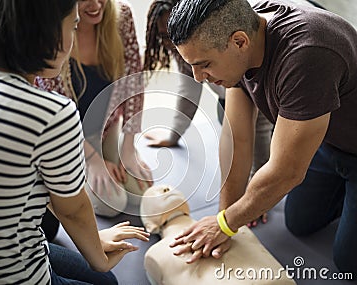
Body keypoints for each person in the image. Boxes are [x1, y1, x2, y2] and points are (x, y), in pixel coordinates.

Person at [0, 1, 149, 284]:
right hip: (10, 274)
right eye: (72, 25)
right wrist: (98, 255)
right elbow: (71, 210)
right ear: (45, 33)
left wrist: (128, 146)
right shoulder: (52, 113)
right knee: (108, 279)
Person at [166, 0, 357, 276]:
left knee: (347, 260)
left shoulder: (306, 55)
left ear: (239, 42)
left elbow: (287, 172)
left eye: (204, 64)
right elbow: (237, 139)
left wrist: (224, 224)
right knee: (299, 222)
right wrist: (225, 219)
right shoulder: (243, 34)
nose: (198, 78)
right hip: (327, 141)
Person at [143, 0, 273, 226]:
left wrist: (255, 197)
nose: (171, 43)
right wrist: (173, 136)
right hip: (229, 98)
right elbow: (189, 91)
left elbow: (255, 133)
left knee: (260, 143)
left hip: (263, 97)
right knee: (232, 133)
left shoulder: (232, 44)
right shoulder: (183, 46)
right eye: (165, 36)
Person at [36, 0, 153, 218]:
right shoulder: (50, 31)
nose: (96, 4)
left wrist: (128, 148)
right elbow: (52, 117)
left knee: (142, 192)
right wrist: (92, 160)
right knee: (112, 204)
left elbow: (133, 83)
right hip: (67, 138)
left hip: (106, 128)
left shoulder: (121, 16)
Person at [140, 185, 295, 285]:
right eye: (154, 196)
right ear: (149, 225)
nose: (165, 190)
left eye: (168, 188)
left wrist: (226, 224)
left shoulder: (237, 226)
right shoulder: (156, 254)